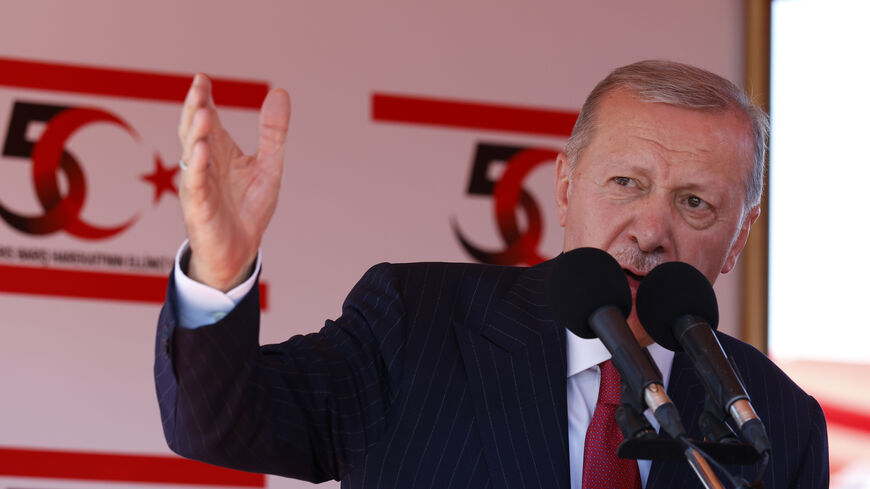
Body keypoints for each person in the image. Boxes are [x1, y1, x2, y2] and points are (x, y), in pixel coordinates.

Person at [155, 60, 829, 488]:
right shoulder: (415, 321)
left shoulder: (778, 418)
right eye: (625, 182)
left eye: (694, 202)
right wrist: (220, 268)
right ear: (564, 188)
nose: (651, 230)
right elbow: (216, 423)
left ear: (738, 236)